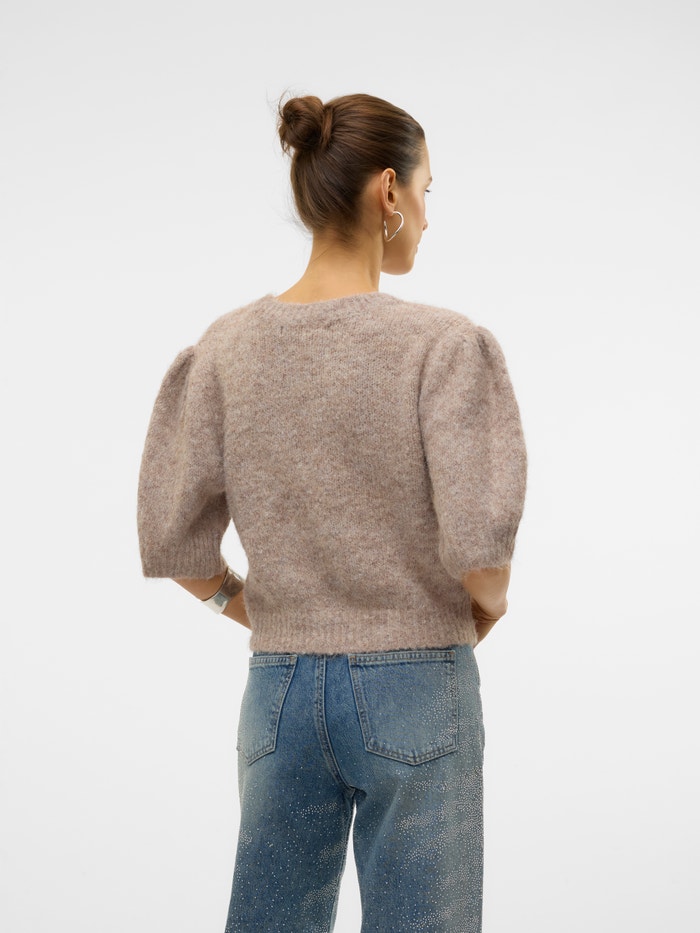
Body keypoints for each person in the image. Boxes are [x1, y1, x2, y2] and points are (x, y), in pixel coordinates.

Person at [137, 92, 527, 933]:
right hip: (418, 679)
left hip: (278, 689)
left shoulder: (226, 347)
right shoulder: (441, 345)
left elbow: (177, 544)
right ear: (388, 191)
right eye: (426, 190)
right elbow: (482, 560)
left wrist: (256, 609)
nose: (428, 215)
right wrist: (485, 609)